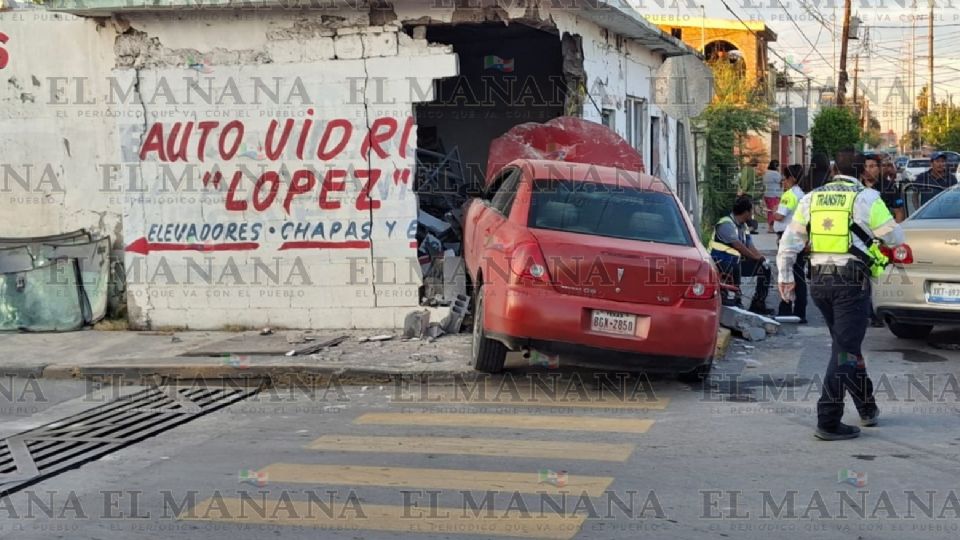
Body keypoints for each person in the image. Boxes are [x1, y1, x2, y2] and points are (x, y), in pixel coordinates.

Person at [777, 148, 905, 441]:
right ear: (863, 171)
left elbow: (789, 241)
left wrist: (785, 278)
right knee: (845, 351)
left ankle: (867, 406)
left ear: (835, 170)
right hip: (851, 283)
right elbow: (894, 237)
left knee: (845, 347)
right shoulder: (867, 198)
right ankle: (828, 419)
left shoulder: (811, 198)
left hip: (819, 282)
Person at [709, 197, 773, 315]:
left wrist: (761, 258)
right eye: (751, 211)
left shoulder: (744, 226)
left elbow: (750, 246)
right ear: (746, 212)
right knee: (734, 265)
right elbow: (738, 246)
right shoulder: (726, 224)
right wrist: (754, 257)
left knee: (764, 268)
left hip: (735, 262)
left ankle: (758, 303)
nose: (752, 214)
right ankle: (735, 300)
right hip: (719, 262)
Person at [773, 164, 807, 323]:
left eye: (785, 178)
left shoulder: (789, 195)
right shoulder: (802, 195)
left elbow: (780, 216)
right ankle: (800, 311)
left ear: (792, 179)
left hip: (787, 238)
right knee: (799, 274)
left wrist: (773, 211)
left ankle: (785, 308)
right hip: (800, 237)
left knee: (785, 273)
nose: (783, 182)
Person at [875, 153, 906, 223]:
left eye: (888, 165)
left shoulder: (891, 184)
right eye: (883, 165)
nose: (886, 168)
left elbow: (899, 210)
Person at [738, 158, 762, 234]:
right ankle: (752, 226)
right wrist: (744, 190)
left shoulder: (745, 169)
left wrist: (741, 190)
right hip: (747, 193)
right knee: (747, 211)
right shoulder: (750, 170)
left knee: (745, 210)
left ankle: (749, 227)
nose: (757, 165)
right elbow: (748, 182)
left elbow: (742, 180)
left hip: (745, 192)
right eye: (757, 164)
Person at [763, 160, 783, 233]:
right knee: (774, 211)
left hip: (767, 194)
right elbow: (780, 181)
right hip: (774, 195)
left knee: (770, 211)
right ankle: (771, 228)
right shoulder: (775, 173)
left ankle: (770, 227)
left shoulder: (766, 173)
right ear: (776, 166)